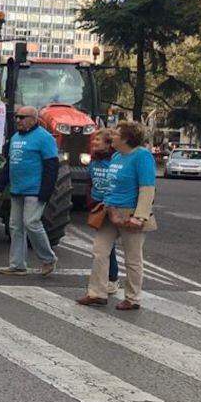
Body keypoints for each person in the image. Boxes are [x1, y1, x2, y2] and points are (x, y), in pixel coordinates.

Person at [79, 120, 157, 310]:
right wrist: (106, 206)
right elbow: (111, 185)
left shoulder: (142, 157)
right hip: (110, 210)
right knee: (99, 251)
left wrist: (140, 216)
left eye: (115, 134)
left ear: (126, 139)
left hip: (130, 212)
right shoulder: (116, 157)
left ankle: (132, 297)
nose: (111, 136)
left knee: (132, 258)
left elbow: (147, 188)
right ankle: (97, 292)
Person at [0, 105, 60, 276]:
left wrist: (45, 192)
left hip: (35, 189)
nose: (18, 120)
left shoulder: (45, 138)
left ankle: (48, 259)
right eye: (17, 117)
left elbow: (52, 167)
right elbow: (10, 164)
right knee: (15, 226)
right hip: (17, 189)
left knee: (31, 223)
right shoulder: (15, 138)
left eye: (22, 117)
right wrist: (1, 186)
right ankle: (17, 264)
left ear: (34, 119)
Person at [86, 128, 120, 295]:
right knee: (105, 246)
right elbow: (89, 183)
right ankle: (109, 279)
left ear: (108, 144)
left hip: (113, 205)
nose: (94, 143)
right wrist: (91, 202)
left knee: (109, 246)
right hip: (98, 206)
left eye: (98, 140)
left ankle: (113, 278)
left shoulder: (115, 161)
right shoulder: (93, 161)